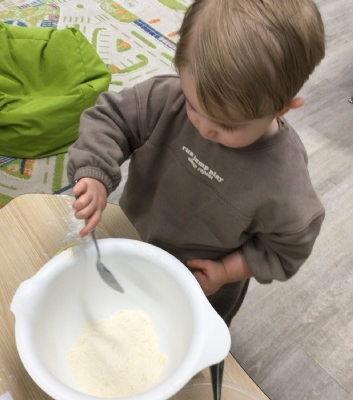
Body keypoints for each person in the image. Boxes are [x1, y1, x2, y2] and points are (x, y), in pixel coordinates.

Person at [67, 0, 326, 326]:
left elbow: (288, 248)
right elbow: (111, 119)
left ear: (283, 108)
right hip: (131, 239)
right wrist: (94, 173)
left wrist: (227, 271)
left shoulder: (284, 182)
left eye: (227, 126)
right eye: (193, 105)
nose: (204, 128)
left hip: (198, 288)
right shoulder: (168, 98)